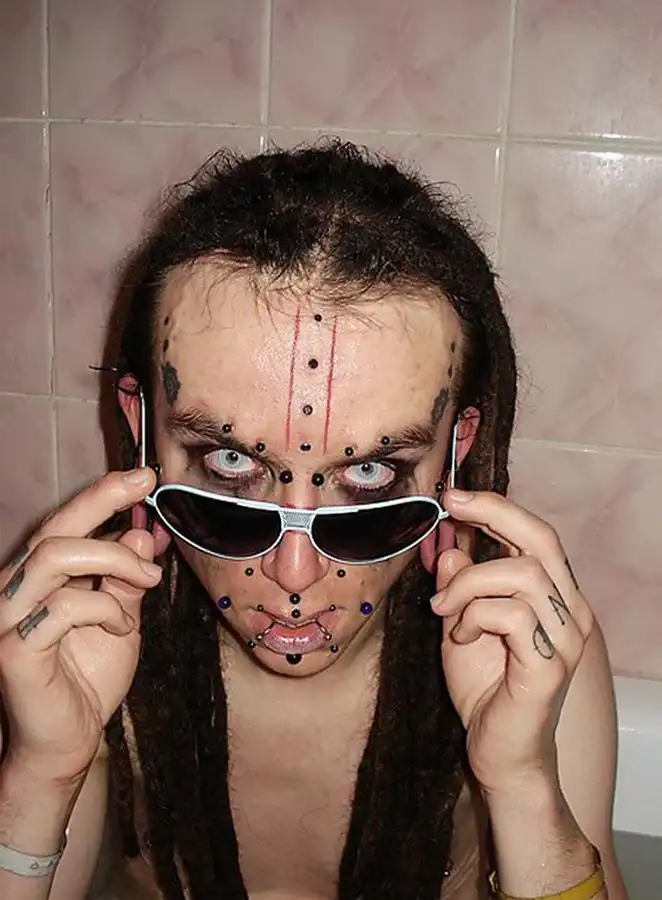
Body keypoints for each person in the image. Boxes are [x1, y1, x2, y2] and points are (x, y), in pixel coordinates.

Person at [0, 142, 629, 900]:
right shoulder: (74, 637)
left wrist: (523, 783)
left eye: (370, 475)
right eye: (229, 462)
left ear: (456, 451)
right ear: (140, 430)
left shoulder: (518, 643)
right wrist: (41, 770)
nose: (293, 573)